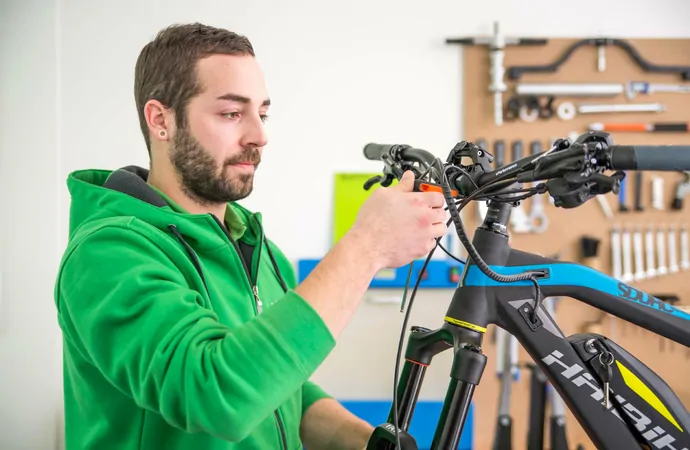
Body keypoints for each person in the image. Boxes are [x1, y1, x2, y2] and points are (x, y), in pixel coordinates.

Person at [54, 22, 447, 450]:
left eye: (262, 112)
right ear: (160, 119)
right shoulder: (109, 252)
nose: (260, 135)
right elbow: (216, 395)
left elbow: (282, 395)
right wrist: (366, 246)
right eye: (231, 113)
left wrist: (369, 442)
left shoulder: (260, 252)